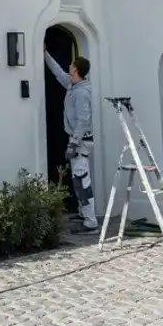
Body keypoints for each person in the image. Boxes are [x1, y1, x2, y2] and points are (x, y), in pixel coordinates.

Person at [45, 51, 98, 233]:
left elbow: (84, 120)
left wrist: (74, 143)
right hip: (77, 139)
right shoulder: (72, 85)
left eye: (72, 65)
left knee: (82, 181)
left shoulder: (82, 92)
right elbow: (58, 72)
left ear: (75, 69)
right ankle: (84, 214)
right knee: (78, 179)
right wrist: (45, 53)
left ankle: (91, 222)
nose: (69, 67)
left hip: (82, 141)